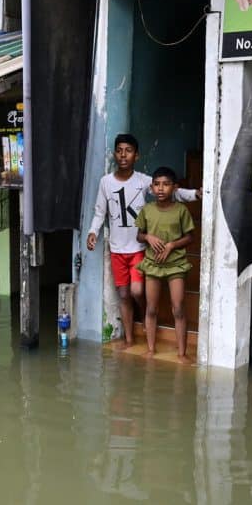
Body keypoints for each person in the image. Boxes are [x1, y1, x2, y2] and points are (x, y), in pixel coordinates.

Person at [86, 134, 199, 347]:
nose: (123, 155)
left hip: (138, 247)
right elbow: (100, 211)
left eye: (128, 151)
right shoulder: (105, 182)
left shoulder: (144, 181)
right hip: (117, 248)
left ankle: (146, 312)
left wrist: (195, 194)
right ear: (114, 154)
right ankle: (129, 338)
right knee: (123, 293)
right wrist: (93, 232)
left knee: (137, 291)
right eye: (119, 150)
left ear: (136, 155)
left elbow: (173, 192)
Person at [135, 166, 195, 361]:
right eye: (157, 184)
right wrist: (148, 237)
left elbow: (190, 237)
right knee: (151, 308)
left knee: (178, 308)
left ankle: (181, 353)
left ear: (175, 188)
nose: (161, 189)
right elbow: (139, 235)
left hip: (176, 265)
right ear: (151, 188)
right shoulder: (147, 210)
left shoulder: (181, 210)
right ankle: (151, 349)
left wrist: (171, 245)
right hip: (152, 264)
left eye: (166, 184)